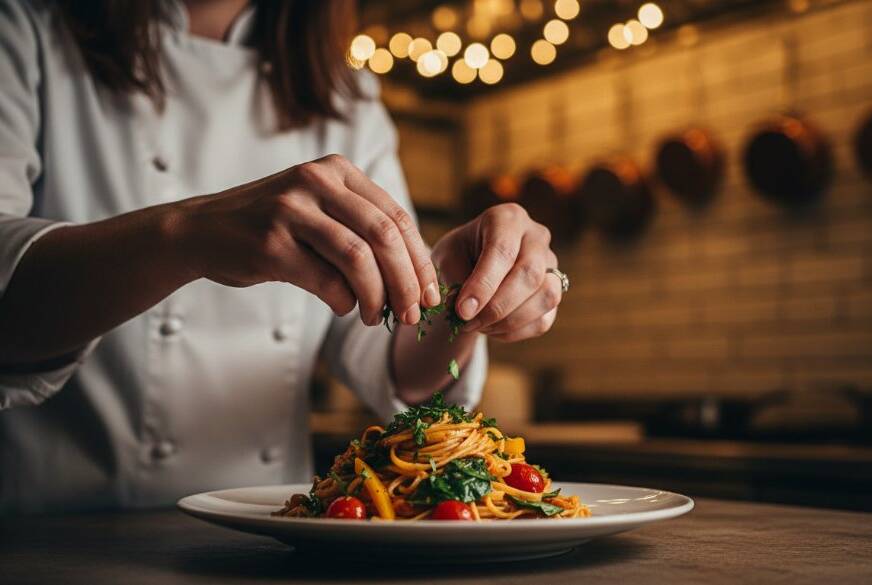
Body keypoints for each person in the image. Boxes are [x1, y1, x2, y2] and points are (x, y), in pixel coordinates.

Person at [0, 0, 565, 513]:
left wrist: (456, 293)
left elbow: (393, 357)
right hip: (52, 532)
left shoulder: (348, 96)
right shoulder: (26, 26)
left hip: (273, 532)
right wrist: (186, 235)